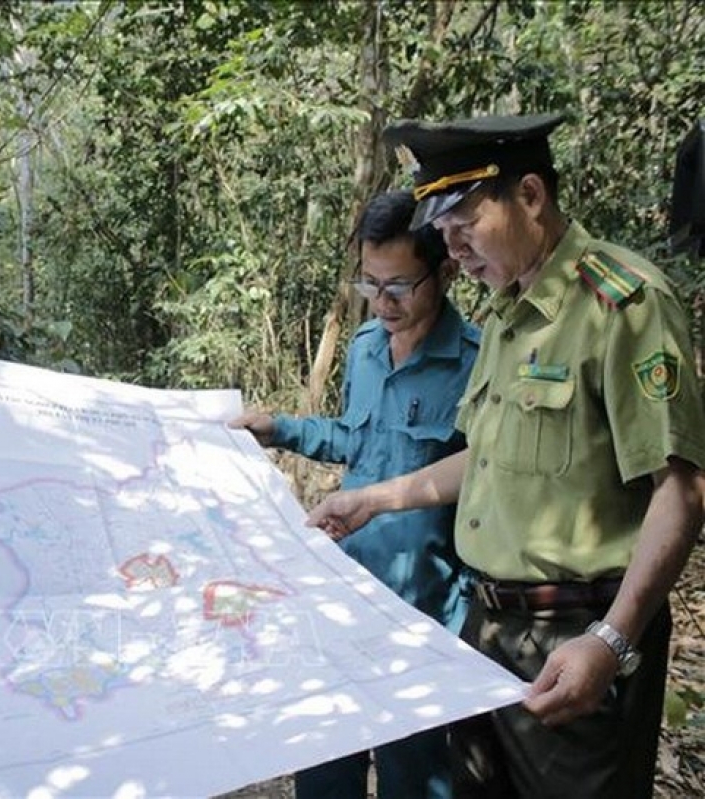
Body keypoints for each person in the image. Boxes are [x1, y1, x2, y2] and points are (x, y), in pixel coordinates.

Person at [308, 113, 705, 798]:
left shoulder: (622, 304)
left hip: (575, 633)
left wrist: (612, 641)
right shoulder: (505, 312)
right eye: (444, 233)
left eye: (465, 226)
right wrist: (371, 498)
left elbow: (682, 488)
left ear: (528, 196)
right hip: (486, 633)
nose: (454, 251)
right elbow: (485, 459)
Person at [230, 190, 479, 799]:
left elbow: (488, 477)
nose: (384, 303)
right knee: (325, 768)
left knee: (412, 778)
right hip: (342, 602)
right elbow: (353, 439)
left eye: (399, 286)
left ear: (444, 271)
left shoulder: (477, 362)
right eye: (369, 285)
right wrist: (280, 428)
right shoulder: (366, 347)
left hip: (421, 618)